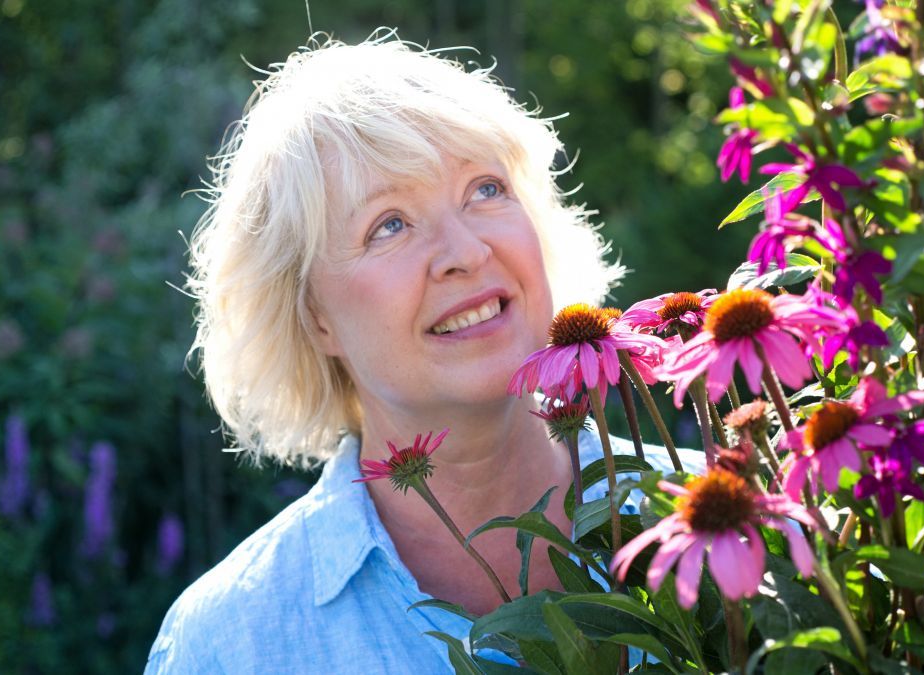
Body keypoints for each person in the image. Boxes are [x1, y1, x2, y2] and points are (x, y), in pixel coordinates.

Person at [144, 32, 702, 673]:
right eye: (389, 225)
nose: (465, 252)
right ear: (314, 318)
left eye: (485, 189)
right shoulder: (228, 645)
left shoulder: (747, 522)